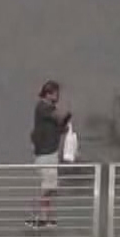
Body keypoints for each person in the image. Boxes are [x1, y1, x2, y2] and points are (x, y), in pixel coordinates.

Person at [28, 80, 68, 228]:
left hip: (50, 152)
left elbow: (57, 126)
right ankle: (42, 216)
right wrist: (66, 117)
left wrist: (63, 128)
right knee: (47, 186)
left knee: (50, 187)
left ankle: (45, 216)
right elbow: (57, 117)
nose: (58, 96)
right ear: (48, 93)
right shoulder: (43, 107)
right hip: (45, 154)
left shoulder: (48, 109)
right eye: (56, 93)